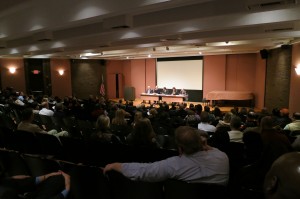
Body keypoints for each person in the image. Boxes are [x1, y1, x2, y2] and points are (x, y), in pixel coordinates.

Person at [103, 126, 229, 185]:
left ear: (180, 148)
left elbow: (143, 171)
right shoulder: (222, 157)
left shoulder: (173, 165)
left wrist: (116, 165)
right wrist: (206, 146)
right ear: (202, 143)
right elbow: (213, 150)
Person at [0, 171, 70, 199]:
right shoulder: (6, 192)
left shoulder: (6, 183)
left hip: (24, 194)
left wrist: (48, 175)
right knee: (59, 180)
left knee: (57, 179)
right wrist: (67, 189)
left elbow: (28, 181)